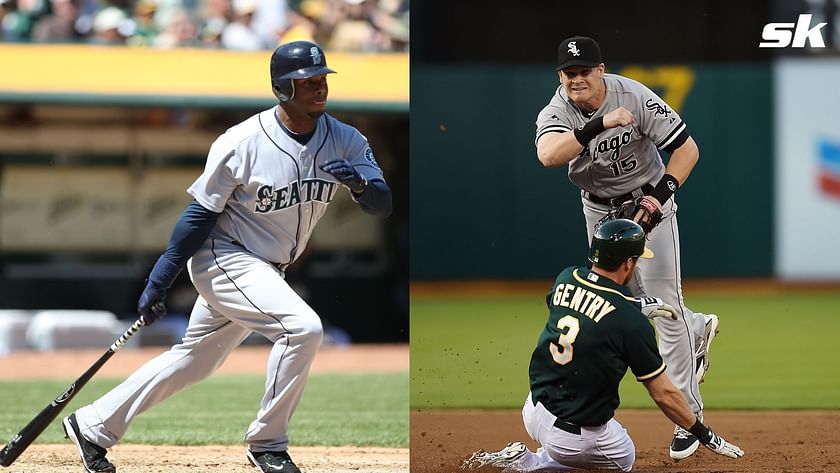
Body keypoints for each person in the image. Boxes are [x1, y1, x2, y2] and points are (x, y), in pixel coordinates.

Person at [61, 40, 392, 473]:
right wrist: (161, 277)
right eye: (305, 82)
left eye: (320, 80)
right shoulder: (242, 141)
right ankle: (267, 443)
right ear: (281, 89)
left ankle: (92, 425)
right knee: (303, 329)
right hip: (225, 257)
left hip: (268, 269)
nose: (317, 89)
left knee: (194, 360)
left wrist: (363, 188)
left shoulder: (346, 139)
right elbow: (198, 216)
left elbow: (382, 203)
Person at [533, 35, 719, 460]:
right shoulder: (557, 110)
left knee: (666, 307)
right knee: (622, 301)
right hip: (599, 213)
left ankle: (687, 415)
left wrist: (659, 197)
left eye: (584, 71)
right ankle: (696, 328)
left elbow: (686, 149)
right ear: (561, 75)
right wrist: (597, 124)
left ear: (601, 70)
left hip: (648, 200)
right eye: (569, 72)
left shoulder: (633, 95)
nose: (576, 78)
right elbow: (547, 155)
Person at [462, 219, 743, 472]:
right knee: (624, 458)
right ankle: (532, 464)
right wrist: (703, 433)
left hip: (534, 411)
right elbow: (664, 393)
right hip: (573, 439)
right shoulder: (631, 324)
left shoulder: (566, 278)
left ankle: (542, 453)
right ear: (628, 264)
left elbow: (586, 308)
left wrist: (631, 304)